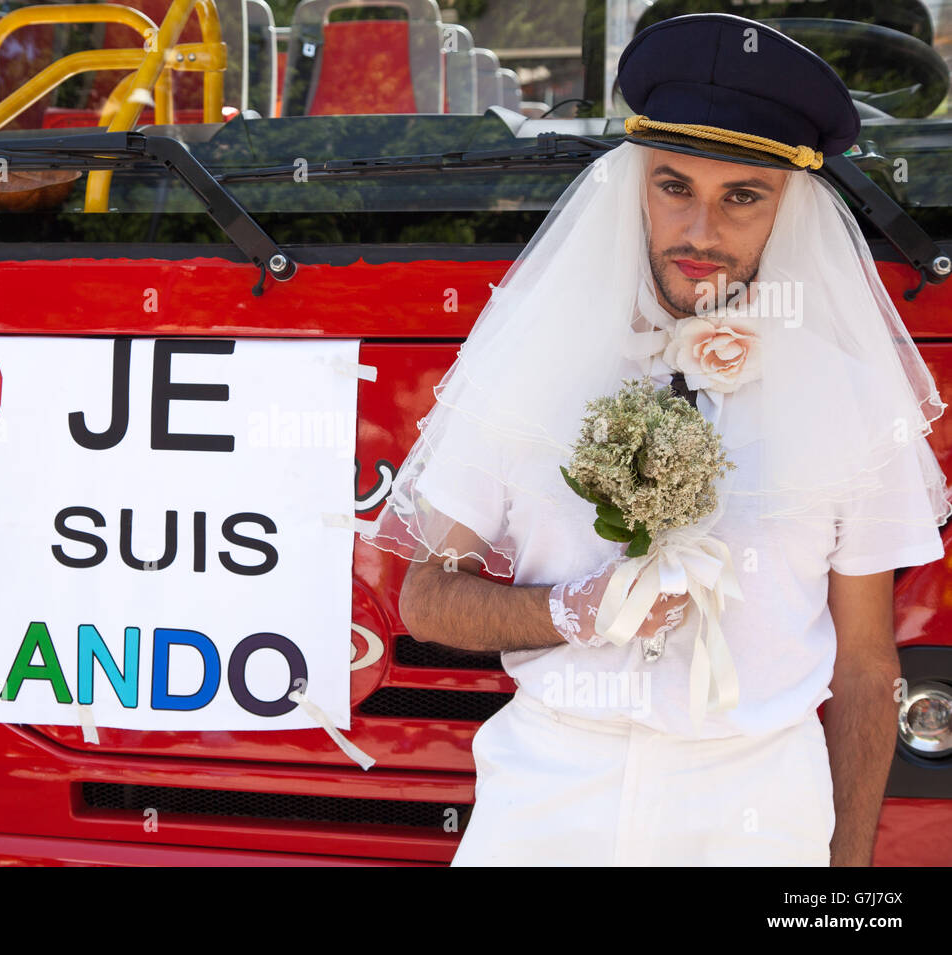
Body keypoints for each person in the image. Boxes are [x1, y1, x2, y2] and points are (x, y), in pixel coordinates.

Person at [362, 13, 950, 866]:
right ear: (636, 185)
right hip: (546, 799)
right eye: (675, 188)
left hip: (759, 812)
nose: (701, 232)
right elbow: (425, 598)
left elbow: (865, 663)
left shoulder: (853, 399)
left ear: (790, 211)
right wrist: (571, 610)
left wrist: (846, 879)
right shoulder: (534, 368)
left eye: (741, 197)